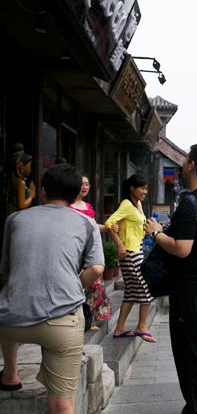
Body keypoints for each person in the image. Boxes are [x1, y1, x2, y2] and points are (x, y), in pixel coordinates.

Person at [0, 164, 104, 413]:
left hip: (11, 321)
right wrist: (72, 284)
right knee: (61, 403)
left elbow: (5, 273)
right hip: (62, 322)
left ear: (43, 191)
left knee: (10, 302)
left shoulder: (15, 219)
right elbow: (98, 269)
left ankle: (11, 374)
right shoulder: (86, 223)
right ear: (77, 194)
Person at [144, 144, 197, 414]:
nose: (183, 162)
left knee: (191, 355)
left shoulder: (192, 202)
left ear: (192, 164)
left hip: (191, 291)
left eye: (187, 157)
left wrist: (156, 232)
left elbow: (182, 248)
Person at [105, 174, 155, 342]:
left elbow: (140, 226)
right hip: (129, 253)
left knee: (132, 292)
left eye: (146, 188)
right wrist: (119, 244)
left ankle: (120, 328)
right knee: (146, 289)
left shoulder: (137, 204)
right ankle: (141, 326)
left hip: (138, 249)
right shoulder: (126, 204)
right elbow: (109, 223)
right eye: (142, 188)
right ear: (132, 188)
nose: (145, 192)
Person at [70, 174, 113, 331]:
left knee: (94, 286)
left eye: (87, 184)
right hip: (77, 251)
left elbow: (94, 227)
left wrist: (108, 227)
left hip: (91, 250)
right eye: (81, 184)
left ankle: (91, 319)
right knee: (80, 285)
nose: (85, 187)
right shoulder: (69, 206)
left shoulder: (88, 206)